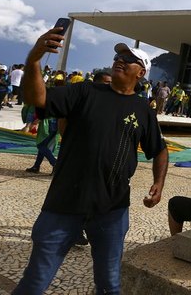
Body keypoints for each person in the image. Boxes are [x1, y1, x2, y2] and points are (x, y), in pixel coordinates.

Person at [12, 29, 169, 295]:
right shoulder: (85, 91)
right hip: (63, 204)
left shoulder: (143, 110)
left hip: (112, 209)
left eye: (129, 58)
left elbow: (160, 150)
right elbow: (37, 99)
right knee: (34, 282)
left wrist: (159, 182)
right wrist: (34, 61)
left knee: (109, 284)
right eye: (118, 56)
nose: (120, 60)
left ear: (141, 73)